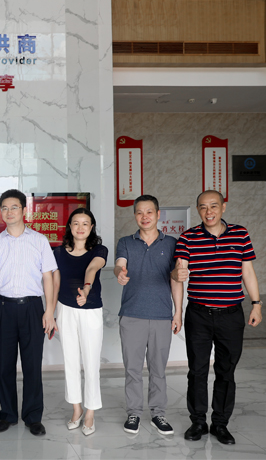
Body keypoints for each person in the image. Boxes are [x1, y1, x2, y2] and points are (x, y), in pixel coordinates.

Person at [172, 190, 262, 445]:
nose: (208, 211)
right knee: (197, 370)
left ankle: (220, 423)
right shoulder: (187, 238)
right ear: (198, 210)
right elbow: (179, 273)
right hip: (198, 314)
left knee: (226, 371)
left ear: (223, 207)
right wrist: (177, 307)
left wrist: (256, 304)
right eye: (203, 207)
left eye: (213, 206)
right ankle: (198, 422)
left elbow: (248, 272)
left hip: (231, 315)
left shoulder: (240, 234)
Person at [0, 189, 58, 436]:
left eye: (14, 207)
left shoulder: (39, 240)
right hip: (4, 308)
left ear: (24, 210)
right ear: (0, 212)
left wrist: (49, 311)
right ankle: (7, 414)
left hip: (32, 308)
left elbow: (48, 277)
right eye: (4, 208)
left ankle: (33, 416)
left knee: (32, 364)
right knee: (5, 364)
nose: (9, 212)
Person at [114, 194, 183, 436]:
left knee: (158, 369)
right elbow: (120, 263)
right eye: (139, 212)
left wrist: (178, 312)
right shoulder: (126, 241)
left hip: (162, 315)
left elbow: (176, 279)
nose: (144, 217)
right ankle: (133, 413)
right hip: (132, 314)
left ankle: (158, 414)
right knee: (132, 369)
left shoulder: (172, 243)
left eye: (149, 212)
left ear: (158, 214)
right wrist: (119, 272)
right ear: (135, 215)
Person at [52, 208, 107, 436]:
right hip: (65, 309)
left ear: (91, 227)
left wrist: (85, 289)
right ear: (70, 226)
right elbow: (54, 283)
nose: (81, 227)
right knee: (71, 361)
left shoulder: (99, 250)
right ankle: (76, 409)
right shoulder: (57, 252)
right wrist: (51, 313)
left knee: (91, 362)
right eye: (76, 223)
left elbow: (92, 268)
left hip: (90, 309)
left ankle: (90, 411)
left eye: (85, 223)